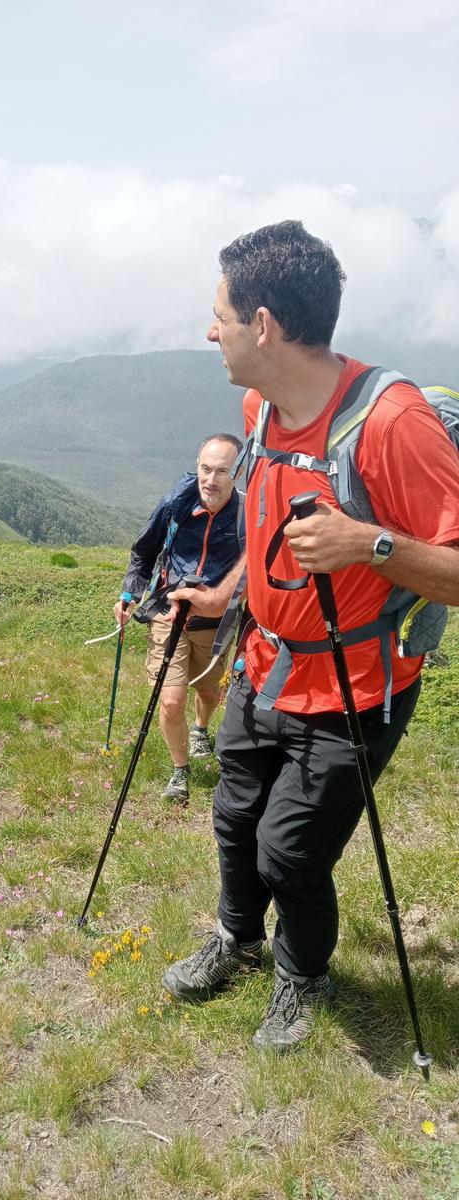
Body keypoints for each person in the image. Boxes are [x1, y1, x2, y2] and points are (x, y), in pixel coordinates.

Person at [162, 220, 459, 1053]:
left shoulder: (392, 424)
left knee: (290, 851)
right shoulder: (259, 408)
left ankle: (302, 975)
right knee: (235, 818)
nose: (210, 331)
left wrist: (368, 544)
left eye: (220, 315)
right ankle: (237, 939)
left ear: (263, 326)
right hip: (265, 667)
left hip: (357, 687)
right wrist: (224, 592)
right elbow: (265, 531)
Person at [113, 436, 244, 802]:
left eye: (222, 471)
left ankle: (201, 728)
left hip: (213, 622)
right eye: (205, 469)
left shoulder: (246, 516)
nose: (211, 480)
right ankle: (180, 770)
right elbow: (144, 551)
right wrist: (129, 594)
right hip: (168, 613)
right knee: (170, 700)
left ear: (238, 474)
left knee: (208, 690)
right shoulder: (176, 503)